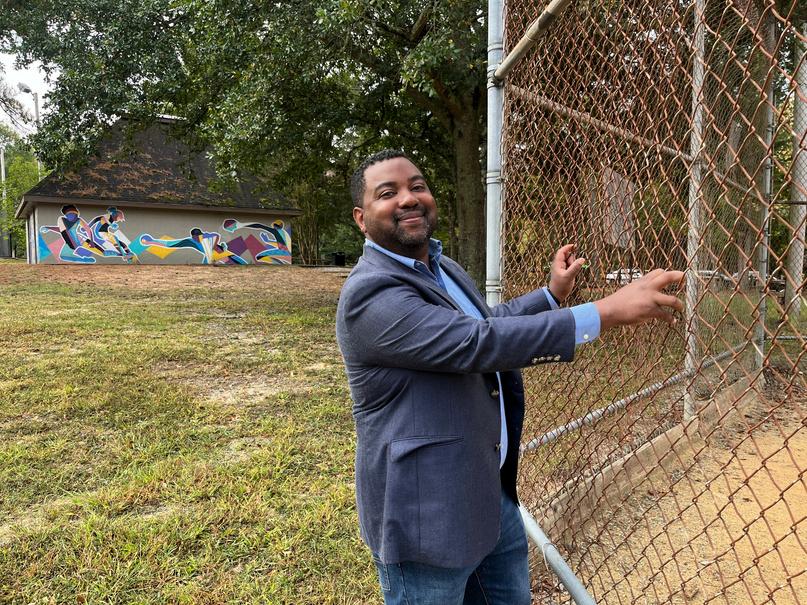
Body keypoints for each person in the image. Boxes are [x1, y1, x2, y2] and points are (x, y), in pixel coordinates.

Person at [335, 149, 683, 605]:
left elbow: (485, 322)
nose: (409, 198)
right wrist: (604, 312)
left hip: (487, 493)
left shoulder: (443, 268)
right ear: (362, 219)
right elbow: (476, 342)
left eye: (417, 186)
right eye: (388, 193)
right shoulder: (370, 294)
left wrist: (550, 295)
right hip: (425, 521)